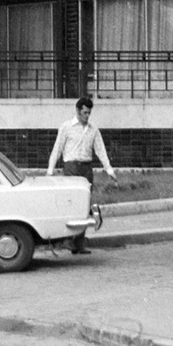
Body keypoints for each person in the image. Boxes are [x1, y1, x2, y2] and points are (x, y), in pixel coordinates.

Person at [47, 97, 115, 254]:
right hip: (71, 167)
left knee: (84, 204)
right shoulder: (66, 127)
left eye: (89, 113)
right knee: (71, 203)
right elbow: (57, 148)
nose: (87, 116)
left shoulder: (93, 129)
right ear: (77, 111)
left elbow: (100, 150)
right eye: (85, 112)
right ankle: (67, 240)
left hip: (86, 168)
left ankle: (79, 243)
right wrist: (50, 170)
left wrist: (109, 169)